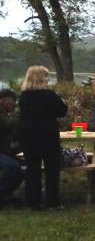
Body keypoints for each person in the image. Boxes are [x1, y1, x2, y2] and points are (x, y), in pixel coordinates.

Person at [18, 66, 67, 210]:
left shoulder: (23, 96)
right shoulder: (49, 95)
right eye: (46, 76)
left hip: (27, 134)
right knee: (52, 167)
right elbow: (62, 111)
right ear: (41, 78)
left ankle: (33, 202)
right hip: (47, 133)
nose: (48, 79)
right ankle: (53, 202)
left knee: (32, 168)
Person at [0, 89, 23, 206]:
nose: (14, 103)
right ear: (2, 101)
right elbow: (6, 125)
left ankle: (6, 195)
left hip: (5, 151)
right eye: (12, 100)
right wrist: (18, 114)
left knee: (24, 168)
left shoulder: (6, 114)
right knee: (12, 167)